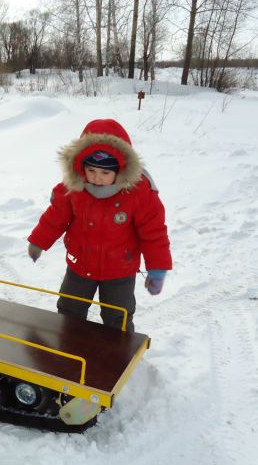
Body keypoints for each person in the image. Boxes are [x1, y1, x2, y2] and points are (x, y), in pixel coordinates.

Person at [27, 118, 171, 333]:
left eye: (105, 173)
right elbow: (55, 217)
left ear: (120, 170)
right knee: (69, 309)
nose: (97, 178)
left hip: (120, 271)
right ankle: (69, 343)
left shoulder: (139, 193)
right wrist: (38, 242)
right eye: (91, 171)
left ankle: (119, 353)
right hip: (79, 265)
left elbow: (154, 232)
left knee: (118, 316)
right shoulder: (74, 188)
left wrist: (157, 268)